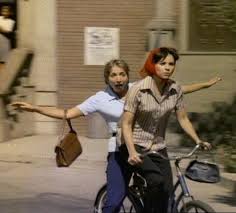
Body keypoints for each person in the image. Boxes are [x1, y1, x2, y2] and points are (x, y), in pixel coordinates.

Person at [11, 58, 220, 213]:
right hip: (118, 151)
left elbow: (177, 89)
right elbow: (67, 113)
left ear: (128, 76)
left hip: (145, 148)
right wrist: (35, 108)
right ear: (107, 78)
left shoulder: (138, 88)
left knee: (159, 192)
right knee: (113, 202)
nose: (119, 79)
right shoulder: (99, 99)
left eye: (122, 74)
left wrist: (204, 85)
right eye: (113, 75)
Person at [120, 47, 213, 213]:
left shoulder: (175, 89)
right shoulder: (138, 89)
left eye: (171, 64)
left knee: (167, 191)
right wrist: (132, 152)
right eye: (163, 63)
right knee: (155, 180)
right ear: (152, 64)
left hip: (159, 147)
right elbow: (126, 124)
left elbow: (183, 118)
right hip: (135, 146)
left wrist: (197, 140)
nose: (168, 67)